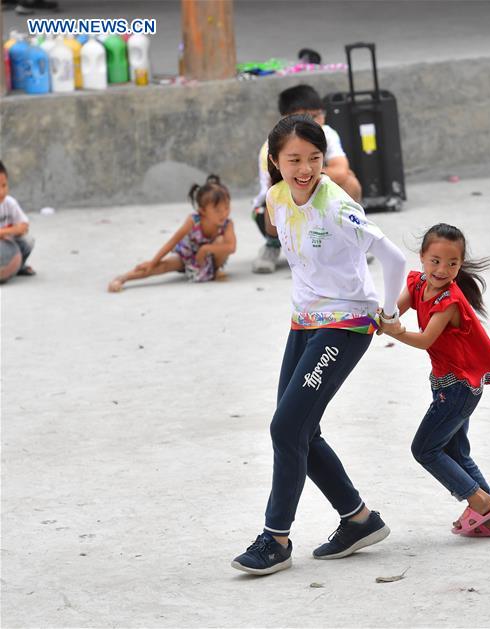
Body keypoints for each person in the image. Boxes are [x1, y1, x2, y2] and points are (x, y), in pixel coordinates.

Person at [231, 115, 406, 575]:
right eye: (294, 160)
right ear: (275, 161)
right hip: (304, 322)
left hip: (346, 323)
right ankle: (359, 520)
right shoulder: (275, 197)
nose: (305, 168)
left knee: (286, 429)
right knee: (300, 431)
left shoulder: (338, 205)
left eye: (314, 159)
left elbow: (393, 256)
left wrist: (387, 312)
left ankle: (276, 539)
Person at [379, 223, 490, 537]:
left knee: (425, 450)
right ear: (422, 258)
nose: (442, 269)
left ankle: (480, 503)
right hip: (449, 386)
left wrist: (394, 331)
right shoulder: (418, 285)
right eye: (435, 261)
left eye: (451, 263)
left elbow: (425, 339)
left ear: (460, 265)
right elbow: (392, 312)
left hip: (458, 391)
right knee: (457, 454)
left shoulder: (450, 302)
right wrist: (376, 319)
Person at [251, 84, 362, 274]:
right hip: (275, 214)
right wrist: (316, 173)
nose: (315, 122)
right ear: (287, 118)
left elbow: (342, 171)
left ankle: (351, 239)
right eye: (307, 116)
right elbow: (281, 183)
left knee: (350, 181)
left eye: (318, 115)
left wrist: (312, 175)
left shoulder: (327, 134)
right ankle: (271, 245)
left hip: (313, 198)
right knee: (275, 192)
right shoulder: (274, 145)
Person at [107, 175, 235, 292]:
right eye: (218, 210)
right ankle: (123, 278)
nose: (224, 214)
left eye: (227, 208)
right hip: (187, 255)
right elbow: (173, 241)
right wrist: (153, 262)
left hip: (210, 258)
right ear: (202, 211)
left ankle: (215, 270)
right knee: (161, 266)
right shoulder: (193, 220)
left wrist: (205, 249)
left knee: (220, 241)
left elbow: (231, 247)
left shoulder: (227, 224)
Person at [0, 160, 36, 283]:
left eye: (4, 185)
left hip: (8, 241)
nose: (1, 192)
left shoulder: (10, 203)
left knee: (28, 240)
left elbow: (24, 226)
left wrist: (5, 232)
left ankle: (19, 266)